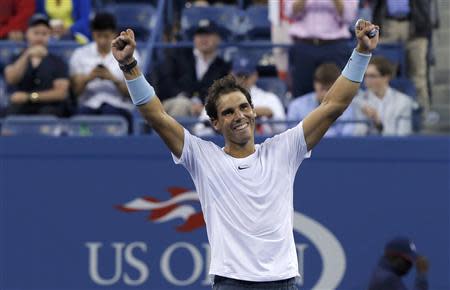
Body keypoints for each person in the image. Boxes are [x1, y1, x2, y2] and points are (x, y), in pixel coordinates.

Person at [112, 19, 378, 289]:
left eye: (243, 107)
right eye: (228, 112)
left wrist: (362, 53)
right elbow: (156, 116)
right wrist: (129, 66)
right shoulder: (202, 157)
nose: (239, 116)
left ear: (253, 109)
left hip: (282, 282)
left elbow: (333, 105)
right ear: (215, 123)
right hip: (231, 283)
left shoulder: (284, 150)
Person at [70, 12, 139, 130]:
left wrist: (113, 80)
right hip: (87, 107)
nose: (102, 41)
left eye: (106, 36)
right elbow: (74, 93)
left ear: (114, 34)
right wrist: (88, 78)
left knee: (111, 113)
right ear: (93, 34)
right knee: (79, 118)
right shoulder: (79, 54)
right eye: (98, 36)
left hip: (119, 107)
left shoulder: (130, 54)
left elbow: (136, 93)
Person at [151, 19, 230, 117]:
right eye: (200, 35)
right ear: (194, 38)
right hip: (174, 104)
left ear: (218, 39)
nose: (203, 39)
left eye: (209, 34)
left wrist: (203, 106)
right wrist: (186, 99)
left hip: (206, 109)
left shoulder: (223, 66)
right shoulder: (178, 56)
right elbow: (165, 82)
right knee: (182, 104)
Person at [194, 55, 286, 136]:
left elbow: (282, 129)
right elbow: (200, 130)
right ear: (231, 75)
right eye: (239, 75)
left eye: (246, 76)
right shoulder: (216, 99)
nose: (243, 79)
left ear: (255, 76)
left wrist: (270, 115)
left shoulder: (270, 98)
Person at [372, 0, 433, 116]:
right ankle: (385, 114)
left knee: (418, 75)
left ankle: (423, 113)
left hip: (415, 25)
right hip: (389, 25)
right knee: (386, 72)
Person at [286, 0, 359, 97]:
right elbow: (290, 13)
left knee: (339, 92)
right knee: (301, 92)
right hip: (304, 45)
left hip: (334, 46)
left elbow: (348, 16)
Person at [3, 14, 69, 117]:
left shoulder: (57, 61)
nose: (39, 37)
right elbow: (11, 79)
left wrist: (30, 97)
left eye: (44, 34)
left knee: (49, 114)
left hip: (48, 108)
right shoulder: (16, 58)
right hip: (20, 108)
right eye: (36, 33)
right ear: (27, 34)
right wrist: (26, 55)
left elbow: (61, 93)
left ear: (49, 36)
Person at [353, 56, 415, 136]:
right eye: (365, 76)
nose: (367, 80)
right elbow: (357, 136)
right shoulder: (358, 101)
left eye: (372, 76)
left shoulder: (403, 101)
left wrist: (378, 123)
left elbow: (403, 136)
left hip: (393, 147)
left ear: (386, 77)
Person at [288, 63, 355, 136]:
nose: (325, 94)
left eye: (329, 89)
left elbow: (347, 135)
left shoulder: (346, 107)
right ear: (315, 84)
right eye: (322, 89)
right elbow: (293, 137)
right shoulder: (296, 106)